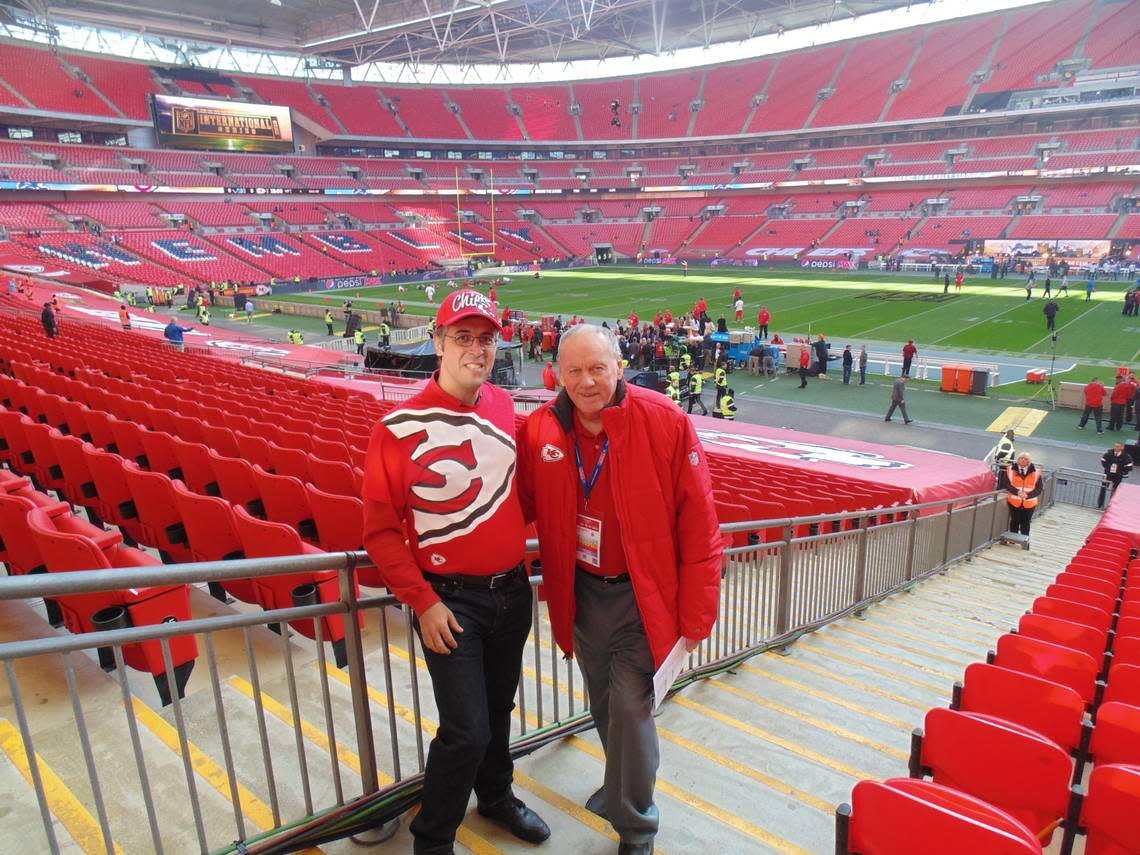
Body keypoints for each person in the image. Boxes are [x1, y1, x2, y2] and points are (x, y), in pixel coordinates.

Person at [516, 323, 723, 855]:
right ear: (558, 374)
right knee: (605, 703)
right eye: (574, 371)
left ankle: (637, 828)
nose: (587, 382)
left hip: (642, 598)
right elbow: (518, 505)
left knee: (631, 710)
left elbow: (700, 526)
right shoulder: (541, 429)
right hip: (581, 596)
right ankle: (620, 790)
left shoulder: (665, 421)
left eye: (597, 369)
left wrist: (698, 618)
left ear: (619, 367)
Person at [362, 289, 551, 855]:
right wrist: (424, 602)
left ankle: (496, 797)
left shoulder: (503, 410)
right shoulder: (396, 427)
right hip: (451, 602)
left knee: (497, 710)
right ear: (438, 342)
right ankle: (433, 838)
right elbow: (378, 531)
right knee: (466, 729)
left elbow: (518, 498)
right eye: (463, 338)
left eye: (486, 339)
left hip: (512, 592)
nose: (477, 349)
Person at [1005, 453, 1042, 538]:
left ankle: (1025, 540)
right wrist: (1017, 492)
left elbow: (1039, 488)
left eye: (1026, 459)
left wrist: (1028, 496)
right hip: (1014, 501)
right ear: (1018, 459)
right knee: (1014, 521)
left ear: (1029, 461)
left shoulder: (1036, 472)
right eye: (1021, 458)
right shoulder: (1010, 469)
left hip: (1029, 502)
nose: (1023, 460)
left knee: (1026, 523)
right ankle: (1013, 539)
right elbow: (1006, 484)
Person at [1097, 441, 1133, 508]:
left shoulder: (1126, 456)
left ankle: (1111, 506)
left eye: (1118, 446)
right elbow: (1103, 460)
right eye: (1115, 446)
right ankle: (1099, 505)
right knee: (1103, 489)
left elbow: (1129, 466)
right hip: (1107, 475)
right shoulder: (1109, 453)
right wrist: (1107, 468)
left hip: (1118, 476)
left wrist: (1122, 472)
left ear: (1122, 447)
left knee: (1115, 491)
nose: (1116, 448)